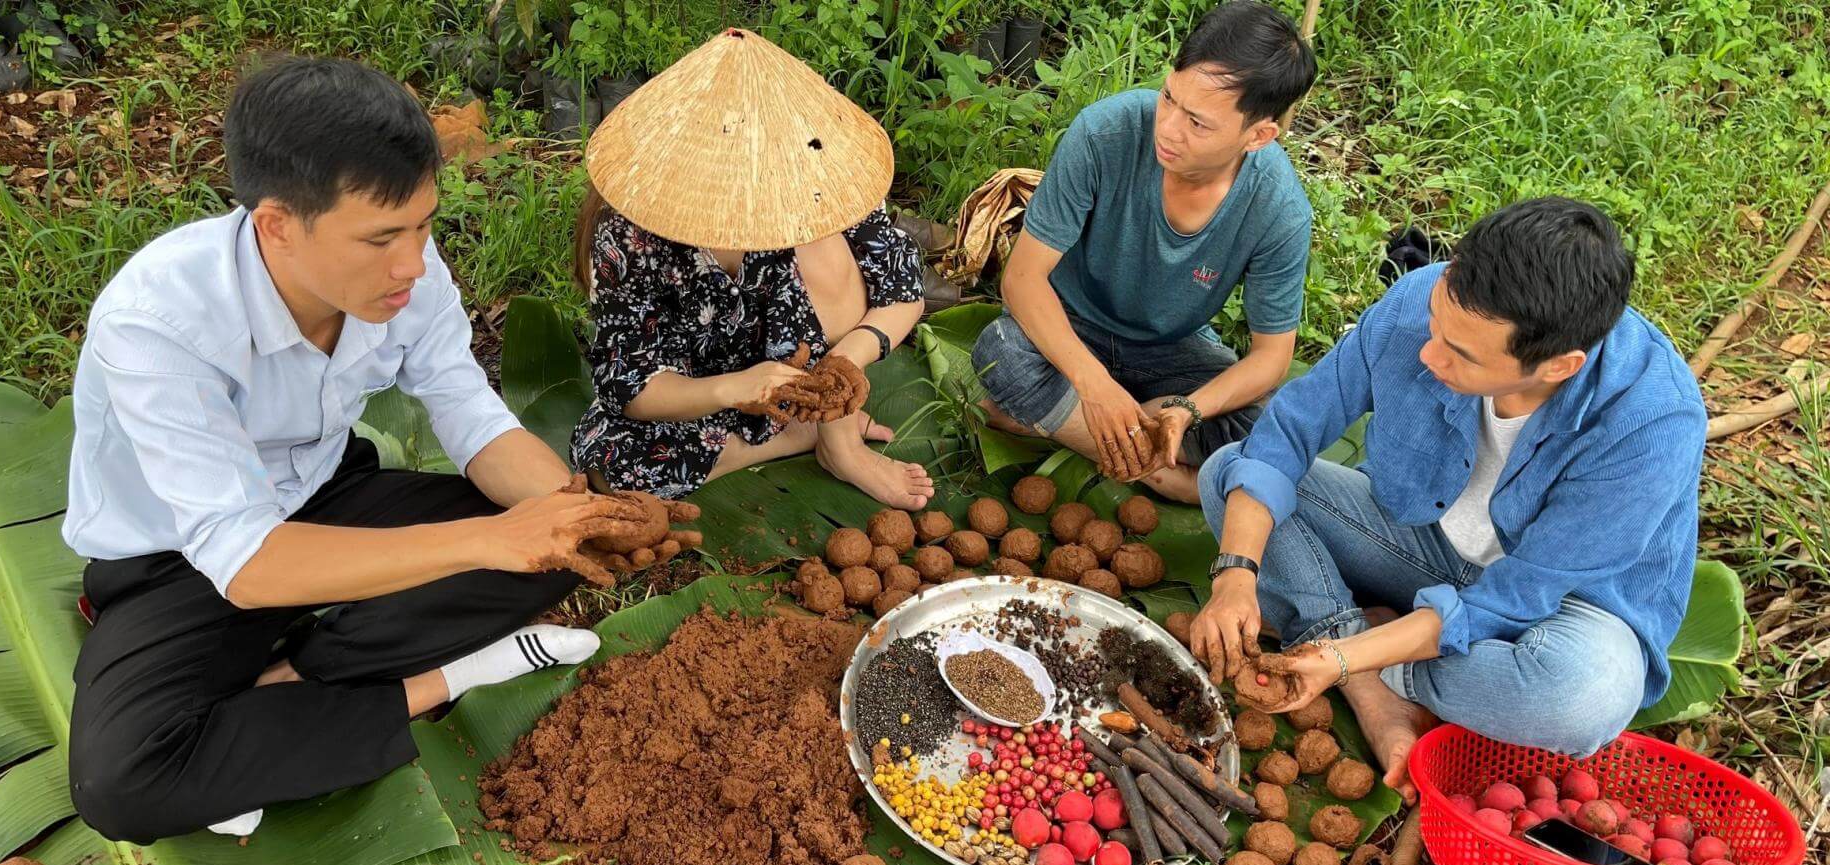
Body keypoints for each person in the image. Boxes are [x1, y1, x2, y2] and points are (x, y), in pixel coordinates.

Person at [62, 58, 676, 844]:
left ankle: (291, 682)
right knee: (122, 784)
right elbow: (247, 563)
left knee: (553, 548)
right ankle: (450, 676)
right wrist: (494, 538)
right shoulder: (159, 324)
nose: (414, 264)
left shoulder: (406, 278)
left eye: (423, 225)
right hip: (181, 558)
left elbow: (470, 414)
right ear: (277, 223)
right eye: (382, 237)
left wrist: (570, 513)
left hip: (325, 495)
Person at [1186, 198, 1706, 799]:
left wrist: (1347, 658)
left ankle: (1361, 654)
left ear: (1559, 366)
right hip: (1422, 543)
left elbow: (1512, 600)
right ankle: (1361, 653)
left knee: (1581, 699)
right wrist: (1235, 574)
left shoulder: (1650, 422)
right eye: (1437, 324)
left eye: (1461, 354)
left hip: (1557, 608)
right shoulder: (1427, 299)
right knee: (1232, 470)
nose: (1430, 354)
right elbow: (1290, 433)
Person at [570, 28, 934, 509]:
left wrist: (842, 365)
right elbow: (633, 383)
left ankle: (838, 441)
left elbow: (901, 290)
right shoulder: (627, 234)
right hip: (698, 387)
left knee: (825, 250)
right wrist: (733, 388)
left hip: (798, 365)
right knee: (615, 470)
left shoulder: (820, 178)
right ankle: (795, 434)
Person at [971, 0, 1317, 503]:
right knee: (1000, 353)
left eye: (1198, 123)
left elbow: (1271, 358)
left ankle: (1067, 423)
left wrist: (1187, 411)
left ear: (1259, 135)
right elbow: (1022, 281)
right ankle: (1166, 475)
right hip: (1070, 326)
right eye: (1168, 98)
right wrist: (1094, 386)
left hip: (1169, 353)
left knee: (1273, 414)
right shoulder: (1103, 134)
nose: (1169, 128)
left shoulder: (1279, 209)